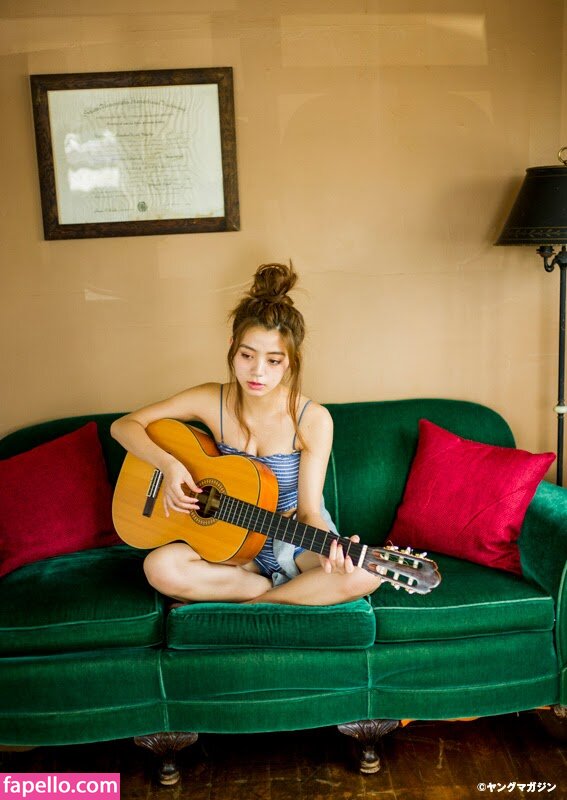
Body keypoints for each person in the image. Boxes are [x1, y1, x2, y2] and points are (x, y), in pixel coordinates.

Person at [110, 263, 382, 606]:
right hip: (229, 544)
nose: (257, 372)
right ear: (232, 347)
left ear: (291, 361)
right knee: (159, 567)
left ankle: (255, 604)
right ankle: (282, 593)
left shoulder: (313, 419)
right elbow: (123, 426)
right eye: (247, 355)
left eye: (274, 361)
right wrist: (169, 466)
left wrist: (330, 546)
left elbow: (309, 512)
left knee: (367, 572)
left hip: (291, 539)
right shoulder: (210, 400)